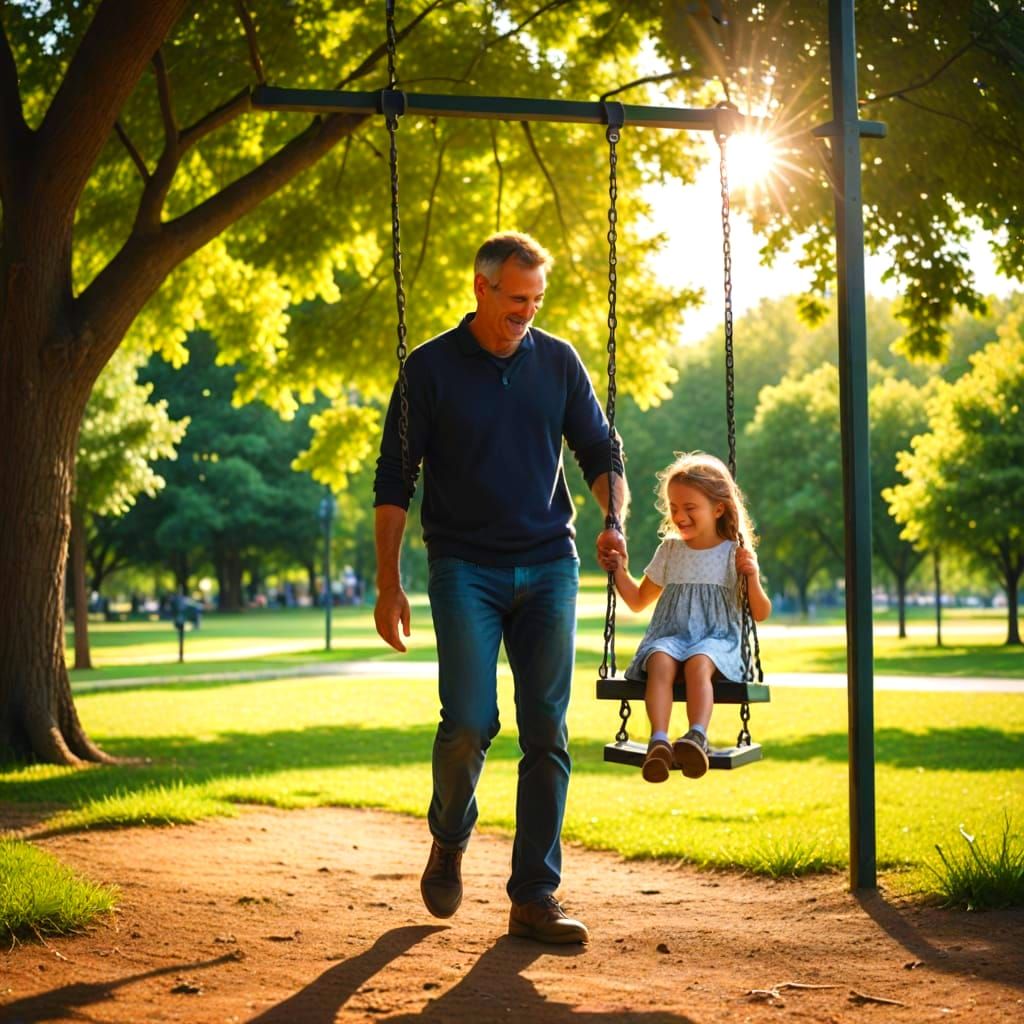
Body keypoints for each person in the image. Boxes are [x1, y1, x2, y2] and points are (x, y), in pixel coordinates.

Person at [373, 232, 627, 945]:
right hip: (464, 568)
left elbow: (600, 451)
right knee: (471, 721)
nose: (528, 313)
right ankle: (450, 835)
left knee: (547, 731)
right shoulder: (428, 369)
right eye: (517, 300)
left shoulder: (558, 361)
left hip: (550, 563)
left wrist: (614, 517)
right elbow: (395, 481)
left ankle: (534, 896)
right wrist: (389, 584)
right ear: (481, 288)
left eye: (536, 301)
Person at [598, 451, 770, 783]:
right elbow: (637, 601)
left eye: (690, 508)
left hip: (716, 642)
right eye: (674, 508)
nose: (680, 516)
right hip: (673, 637)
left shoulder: (733, 554)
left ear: (718, 508)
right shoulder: (670, 551)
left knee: (698, 661)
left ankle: (695, 738)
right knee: (660, 659)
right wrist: (618, 570)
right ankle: (659, 742)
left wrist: (751, 575)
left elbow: (760, 613)